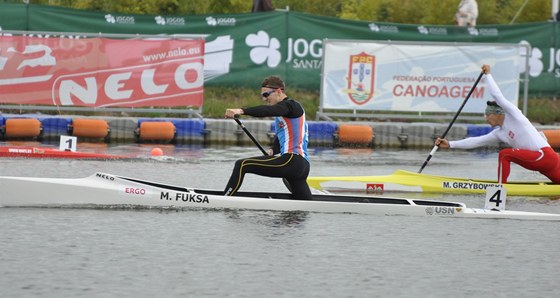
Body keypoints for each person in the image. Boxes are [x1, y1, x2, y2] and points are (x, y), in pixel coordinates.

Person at [435, 64, 560, 184]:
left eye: (488, 115)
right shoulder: (500, 133)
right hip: (544, 164)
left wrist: (488, 75)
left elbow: (497, 95)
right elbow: (476, 141)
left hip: (545, 156)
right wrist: (450, 144)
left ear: (498, 114)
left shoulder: (515, 116)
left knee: (504, 154)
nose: (486, 119)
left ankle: (500, 190)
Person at [223, 75, 312, 200]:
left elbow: (267, 111)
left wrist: (241, 111)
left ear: (279, 91)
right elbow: (282, 140)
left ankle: (225, 200)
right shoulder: (284, 114)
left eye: (266, 95)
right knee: (306, 205)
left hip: (291, 161)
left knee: (242, 164)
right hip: (301, 166)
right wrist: (272, 151)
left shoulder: (292, 106)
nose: (264, 99)